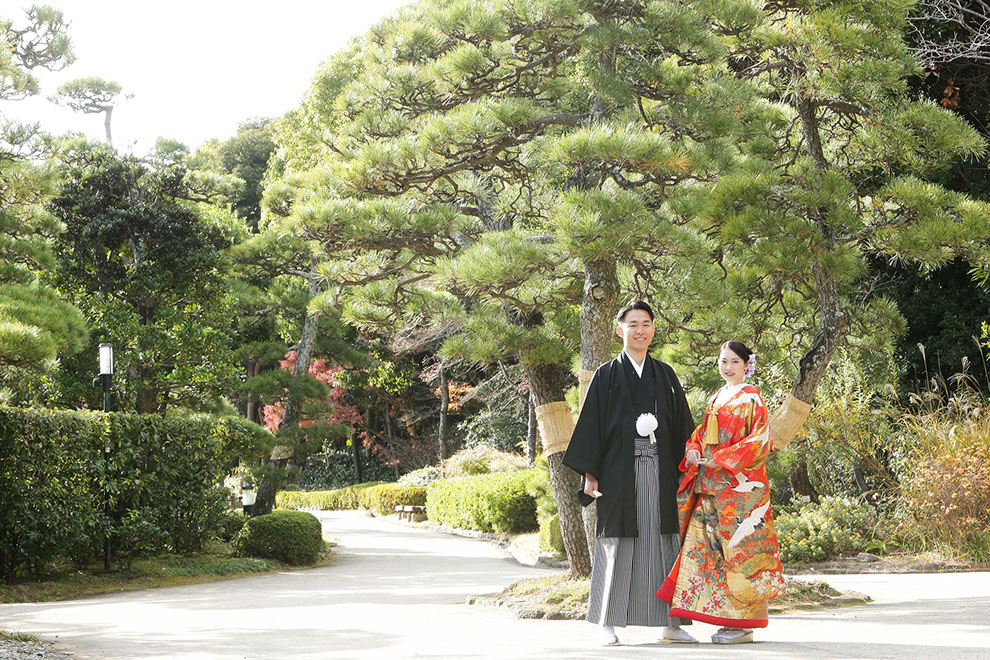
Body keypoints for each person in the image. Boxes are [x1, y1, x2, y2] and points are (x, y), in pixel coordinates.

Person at [563, 300, 697, 646]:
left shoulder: (664, 374)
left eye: (646, 324)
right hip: (618, 472)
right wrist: (590, 474)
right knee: (617, 542)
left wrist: (689, 460)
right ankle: (607, 622)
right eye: (633, 324)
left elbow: (682, 423)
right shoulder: (606, 374)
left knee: (664, 541)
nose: (640, 331)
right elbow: (591, 426)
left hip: (660, 469)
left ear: (653, 329)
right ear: (619, 329)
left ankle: (671, 623)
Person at [655, 340, 786, 644]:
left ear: (746, 365)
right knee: (706, 551)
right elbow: (702, 434)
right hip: (710, 485)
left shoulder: (752, 399)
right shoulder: (717, 396)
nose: (728, 367)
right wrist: (693, 449)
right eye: (723, 361)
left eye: (735, 362)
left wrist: (723, 458)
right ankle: (725, 619)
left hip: (739, 493)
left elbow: (760, 441)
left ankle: (744, 624)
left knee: (740, 554)